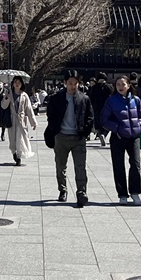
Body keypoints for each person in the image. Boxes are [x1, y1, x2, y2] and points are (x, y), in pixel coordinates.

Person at [44, 71, 94, 208]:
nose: (73, 86)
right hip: (61, 137)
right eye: (70, 83)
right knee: (61, 166)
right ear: (65, 83)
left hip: (78, 138)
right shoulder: (57, 98)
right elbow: (51, 116)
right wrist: (55, 130)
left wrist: (85, 132)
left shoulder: (84, 98)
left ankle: (81, 193)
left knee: (80, 167)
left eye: (75, 83)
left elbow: (90, 117)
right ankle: (62, 190)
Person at [101, 75, 141, 204]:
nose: (121, 87)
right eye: (118, 85)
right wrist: (117, 128)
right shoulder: (111, 100)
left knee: (135, 165)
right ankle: (122, 194)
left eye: (123, 84)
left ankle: (135, 192)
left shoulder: (136, 100)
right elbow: (104, 120)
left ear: (128, 85)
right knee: (118, 165)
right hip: (118, 137)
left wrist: (140, 127)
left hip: (134, 137)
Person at [1, 76, 37, 166]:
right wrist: (7, 98)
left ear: (21, 84)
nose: (17, 84)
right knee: (12, 139)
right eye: (15, 82)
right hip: (12, 119)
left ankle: (19, 157)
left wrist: (33, 122)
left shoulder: (24, 95)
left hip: (21, 121)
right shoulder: (9, 93)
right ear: (12, 84)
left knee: (20, 139)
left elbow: (29, 110)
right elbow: (3, 106)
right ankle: (14, 152)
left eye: (19, 82)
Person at [88, 73, 112, 147]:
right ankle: (104, 135)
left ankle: (100, 134)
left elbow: (90, 98)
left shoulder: (94, 87)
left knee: (99, 124)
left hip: (97, 108)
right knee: (108, 123)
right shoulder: (109, 87)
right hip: (107, 108)